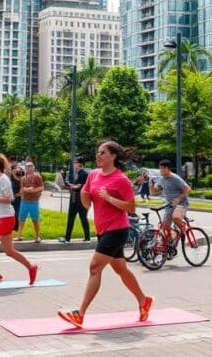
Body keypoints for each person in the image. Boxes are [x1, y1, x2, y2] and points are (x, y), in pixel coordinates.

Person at [57, 141, 153, 329]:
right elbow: (86, 203)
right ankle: (144, 301)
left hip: (117, 229)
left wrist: (109, 198)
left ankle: (80, 314)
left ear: (113, 156)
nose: (98, 156)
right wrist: (84, 194)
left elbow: (131, 207)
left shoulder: (121, 179)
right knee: (121, 270)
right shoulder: (93, 175)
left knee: (95, 267)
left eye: (103, 153)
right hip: (103, 230)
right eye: (97, 152)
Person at [0, 154, 37, 288]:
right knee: (9, 251)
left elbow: (10, 199)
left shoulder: (4, 179)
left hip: (6, 218)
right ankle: (31, 267)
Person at [150, 160, 190, 237]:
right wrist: (151, 184)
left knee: (176, 218)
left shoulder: (175, 178)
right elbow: (154, 192)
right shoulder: (162, 179)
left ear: (167, 168)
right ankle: (171, 241)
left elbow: (187, 189)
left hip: (181, 203)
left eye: (161, 168)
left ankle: (184, 229)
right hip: (169, 205)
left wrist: (178, 198)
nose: (160, 171)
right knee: (164, 226)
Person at [59, 158, 91, 244]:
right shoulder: (76, 174)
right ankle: (68, 238)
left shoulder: (83, 174)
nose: (73, 165)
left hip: (80, 200)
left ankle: (87, 237)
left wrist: (68, 184)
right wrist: (69, 184)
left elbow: (77, 187)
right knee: (72, 218)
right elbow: (76, 186)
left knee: (82, 218)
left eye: (75, 163)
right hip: (75, 199)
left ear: (79, 164)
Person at [14, 161, 44, 242]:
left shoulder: (37, 176)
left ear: (33, 167)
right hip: (24, 201)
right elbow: (21, 189)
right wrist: (24, 190)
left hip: (34, 202)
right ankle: (19, 236)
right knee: (21, 219)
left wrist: (34, 190)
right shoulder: (23, 178)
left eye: (30, 166)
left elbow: (41, 187)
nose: (28, 168)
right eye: (27, 166)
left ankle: (37, 236)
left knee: (35, 220)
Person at [9, 157, 23, 232]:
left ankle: (16, 227)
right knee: (11, 213)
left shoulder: (18, 171)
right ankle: (12, 227)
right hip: (12, 197)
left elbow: (21, 192)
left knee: (16, 213)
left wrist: (14, 172)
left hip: (17, 198)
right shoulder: (10, 171)